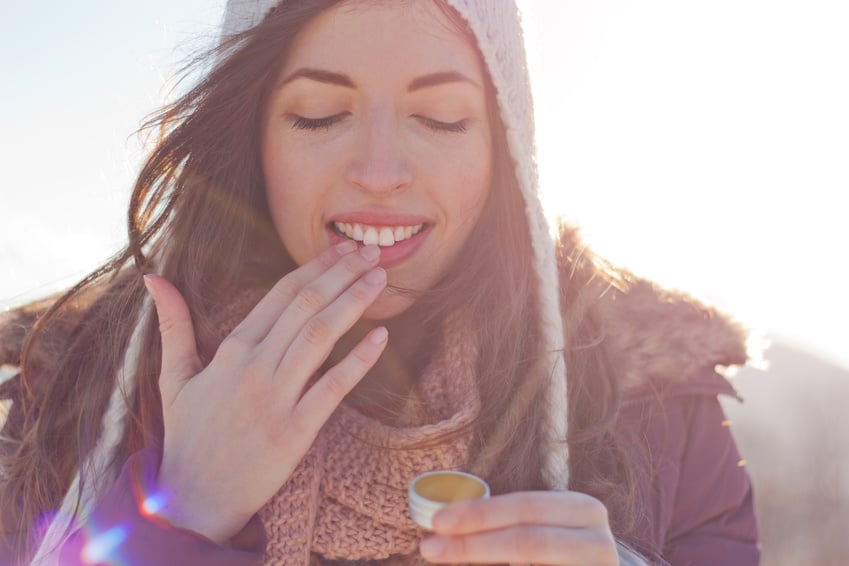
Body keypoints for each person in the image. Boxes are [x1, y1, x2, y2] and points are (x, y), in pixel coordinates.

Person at [0, 1, 760, 564]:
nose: (380, 173)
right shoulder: (77, 385)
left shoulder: (652, 399)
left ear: (506, 150)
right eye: (320, 115)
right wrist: (179, 514)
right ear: (250, 137)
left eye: (440, 118)